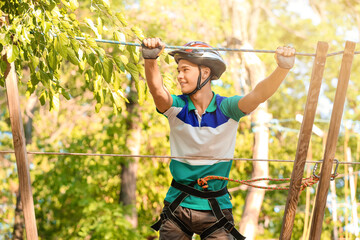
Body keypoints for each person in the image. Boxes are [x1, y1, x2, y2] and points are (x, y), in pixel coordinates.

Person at [142, 38, 295, 240]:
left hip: (215, 210)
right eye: (178, 70)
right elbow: (157, 90)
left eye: (185, 70)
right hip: (178, 206)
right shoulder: (176, 108)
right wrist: (150, 59)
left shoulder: (227, 109)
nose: (179, 76)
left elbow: (258, 95)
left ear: (205, 73)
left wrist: (282, 69)